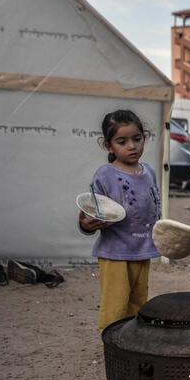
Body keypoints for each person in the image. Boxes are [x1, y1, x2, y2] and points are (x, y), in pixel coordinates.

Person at [78, 109, 161, 332]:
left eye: (137, 139)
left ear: (145, 137)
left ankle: (131, 342)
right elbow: (90, 211)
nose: (132, 146)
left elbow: (154, 207)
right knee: (115, 304)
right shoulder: (104, 175)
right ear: (109, 146)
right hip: (115, 252)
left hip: (143, 249)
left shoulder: (149, 172)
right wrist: (86, 224)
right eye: (122, 141)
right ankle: (112, 344)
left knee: (138, 302)